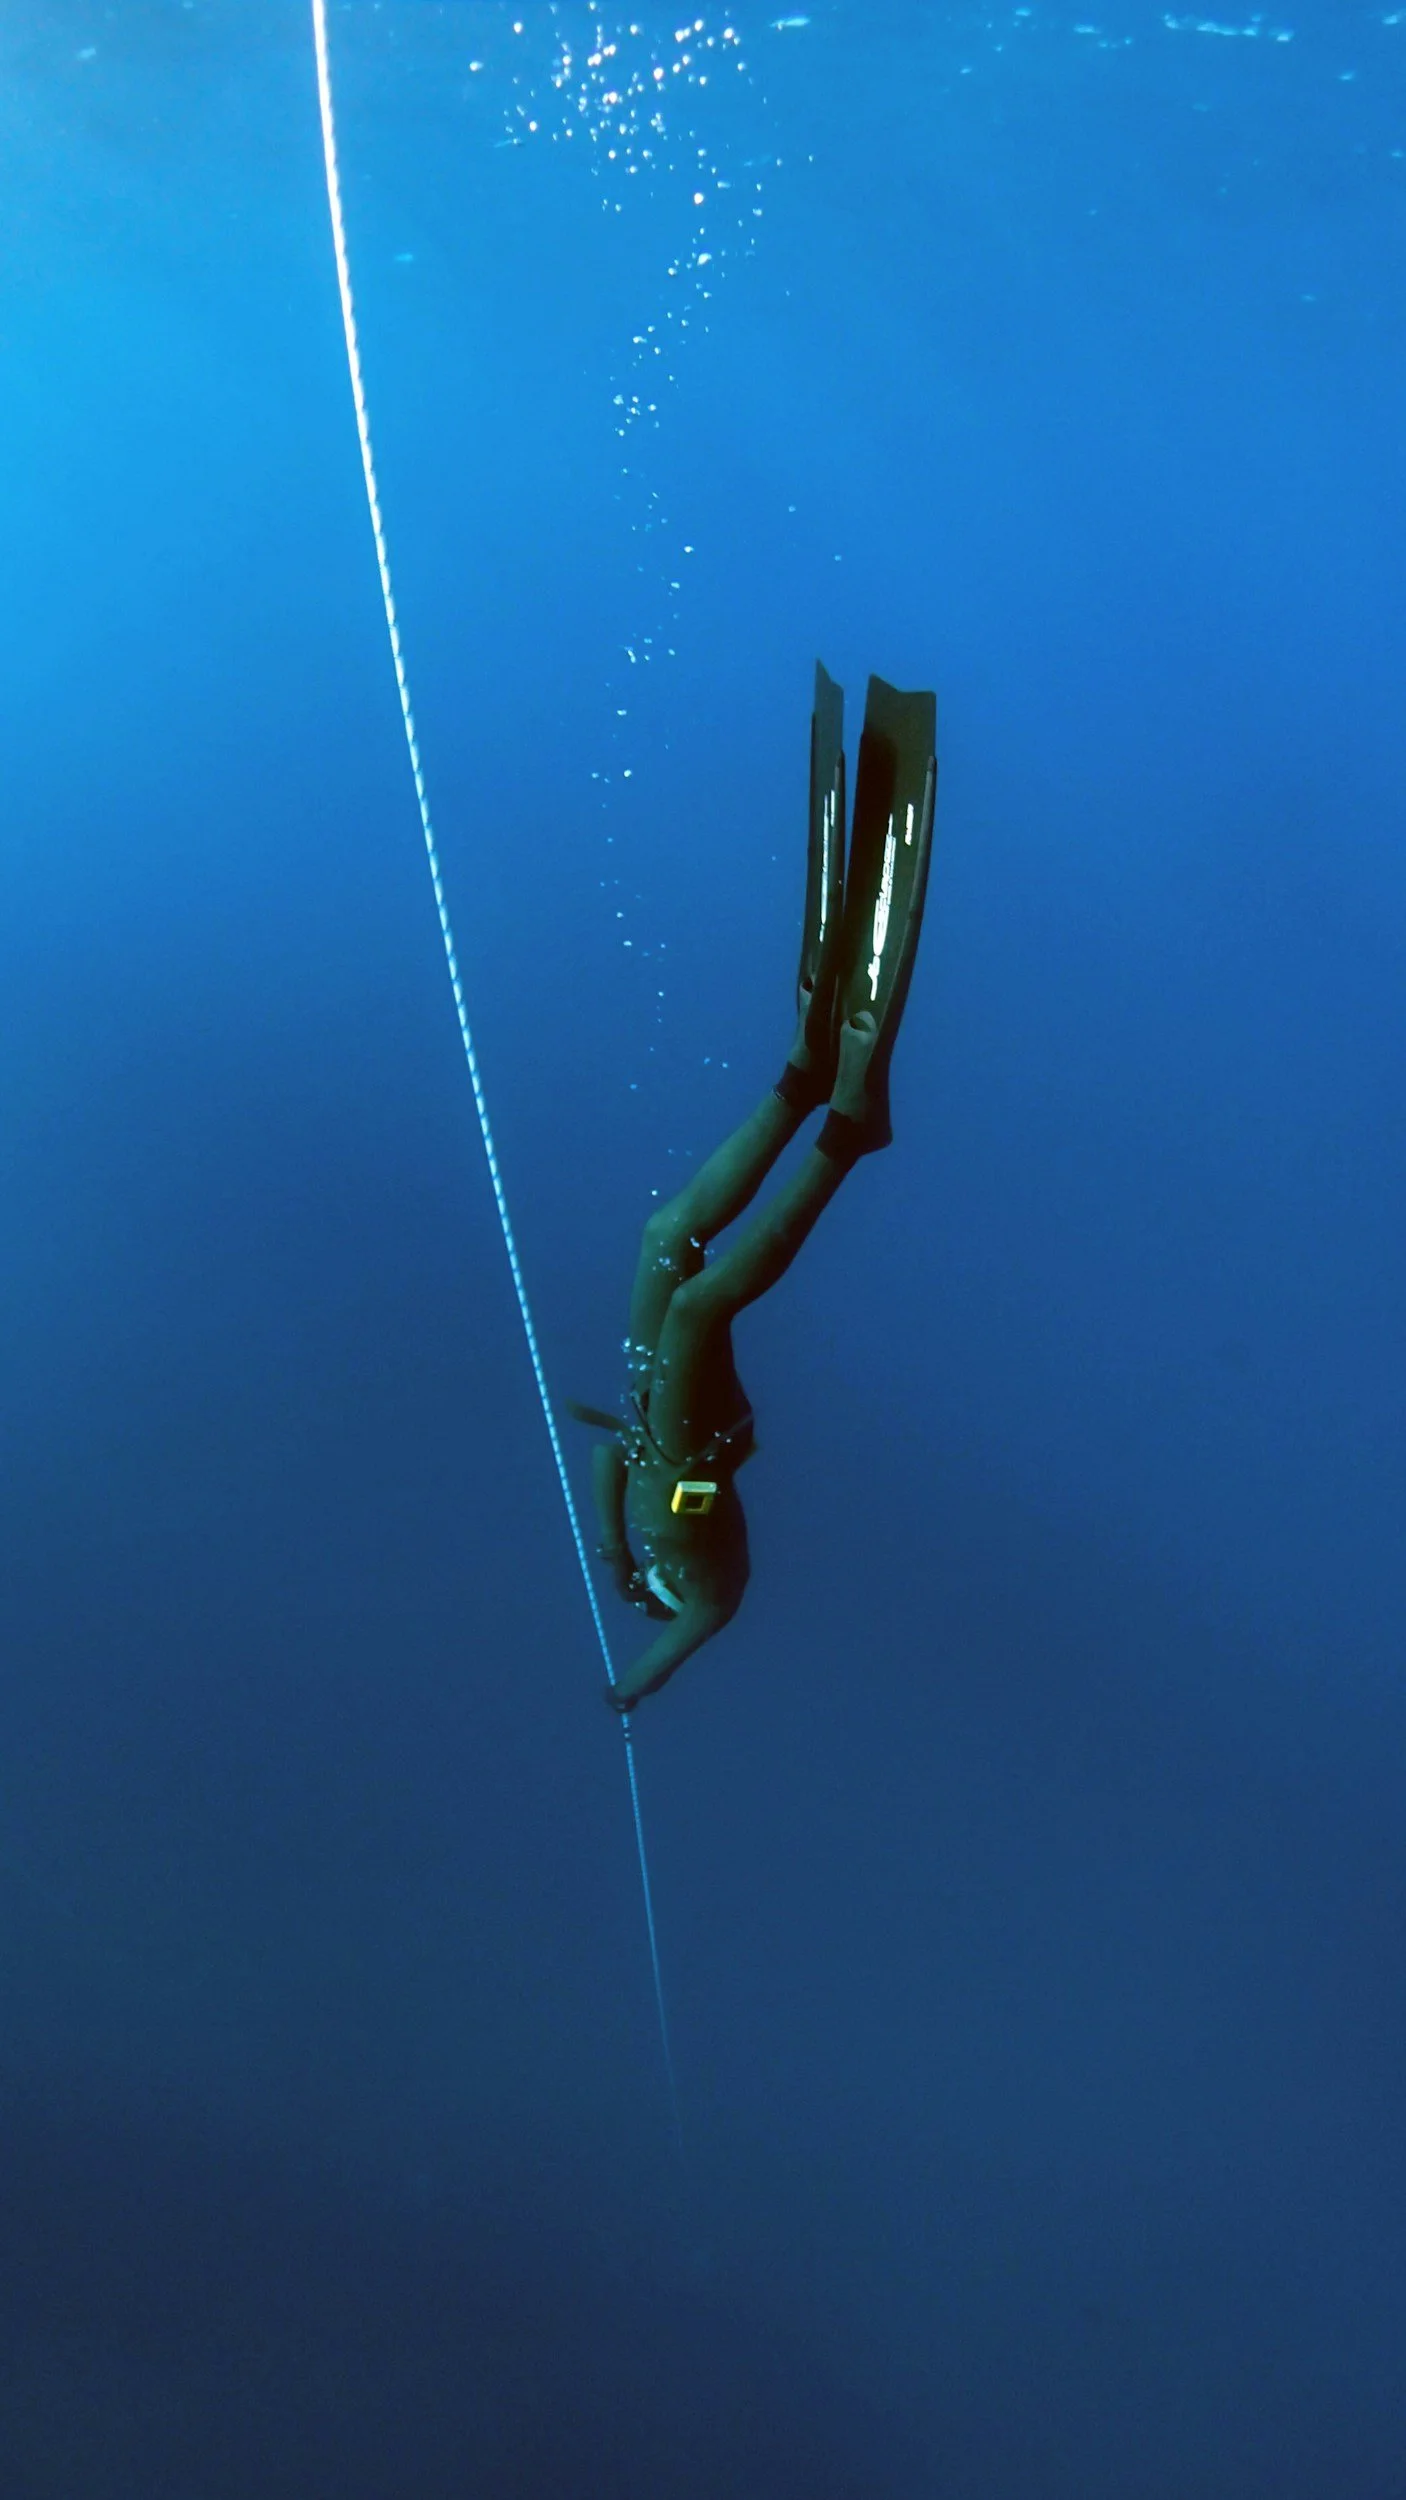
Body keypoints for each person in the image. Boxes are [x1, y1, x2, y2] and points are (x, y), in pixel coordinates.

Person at [570, 663, 937, 1712]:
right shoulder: (710, 1601)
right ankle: (847, 1137)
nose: (656, 1605)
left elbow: (605, 1464)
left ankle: (800, 1080)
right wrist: (627, 1693)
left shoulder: (645, 1567)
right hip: (699, 1433)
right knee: (699, 1302)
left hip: (652, 1415)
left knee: (663, 1236)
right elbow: (675, 1650)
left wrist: (616, 1557)